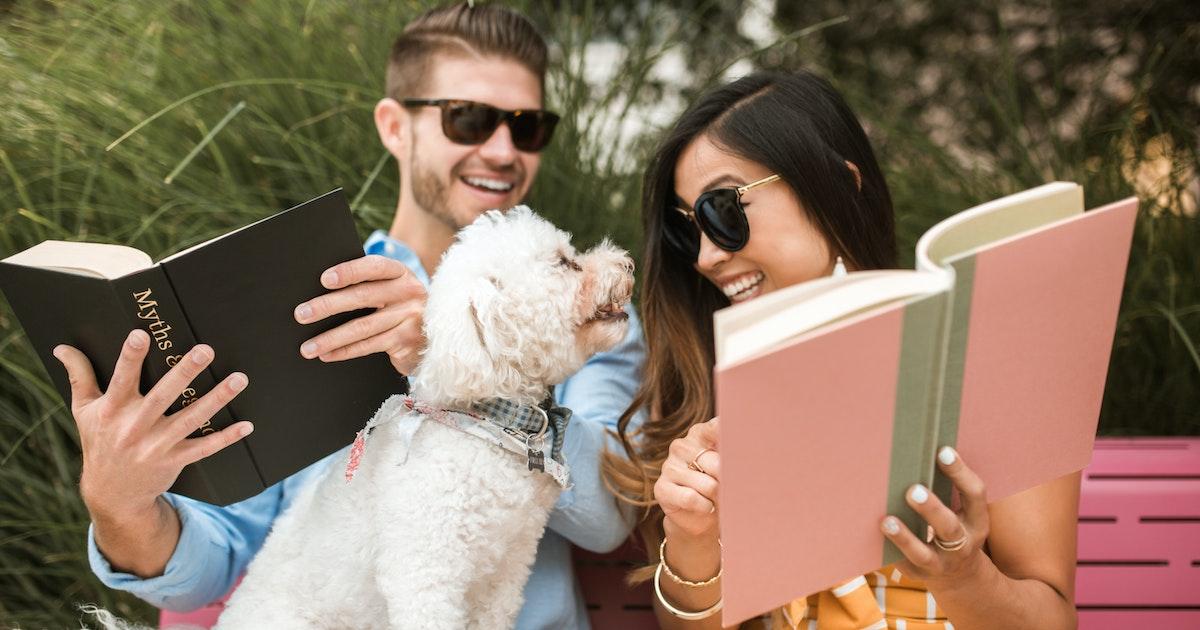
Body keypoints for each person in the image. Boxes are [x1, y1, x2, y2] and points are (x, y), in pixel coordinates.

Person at [52, 4, 644, 628]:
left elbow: (612, 517)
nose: (502, 151)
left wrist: (451, 361)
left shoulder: (589, 316)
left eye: (528, 128)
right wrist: (121, 506)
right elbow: (217, 562)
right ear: (394, 126)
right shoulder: (309, 300)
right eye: (468, 120)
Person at [602, 70, 1080, 629]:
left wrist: (962, 576)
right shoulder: (702, 387)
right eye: (689, 229)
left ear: (838, 182)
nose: (706, 256)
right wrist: (691, 536)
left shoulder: (997, 363)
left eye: (722, 211)